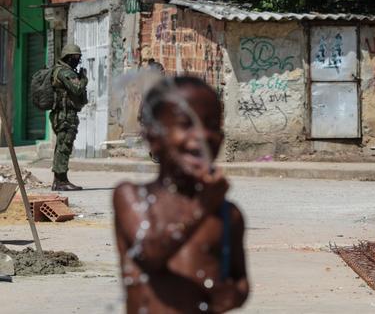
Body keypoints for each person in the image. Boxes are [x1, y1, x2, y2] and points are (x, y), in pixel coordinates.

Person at [113, 76, 249, 313]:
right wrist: (202, 206)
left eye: (212, 125)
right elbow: (149, 254)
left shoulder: (228, 215)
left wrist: (233, 295)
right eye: (186, 124)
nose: (202, 135)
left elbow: (240, 281)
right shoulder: (133, 197)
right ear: (154, 139)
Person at [50, 44, 88, 191]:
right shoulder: (65, 72)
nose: (78, 61)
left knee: (62, 146)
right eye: (76, 58)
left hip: (64, 114)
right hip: (65, 115)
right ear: (69, 57)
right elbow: (77, 88)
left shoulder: (63, 70)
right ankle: (61, 181)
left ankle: (59, 180)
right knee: (64, 146)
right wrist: (83, 78)